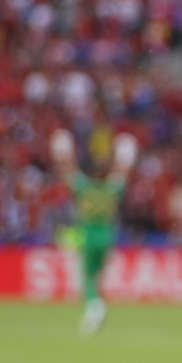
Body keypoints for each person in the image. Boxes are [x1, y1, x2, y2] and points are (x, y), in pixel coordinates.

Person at [51, 130, 136, 335]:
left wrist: (63, 154)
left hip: (88, 233)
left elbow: (69, 173)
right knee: (98, 273)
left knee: (87, 275)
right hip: (108, 235)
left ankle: (94, 306)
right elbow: (121, 175)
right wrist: (126, 156)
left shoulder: (85, 189)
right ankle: (96, 304)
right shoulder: (110, 190)